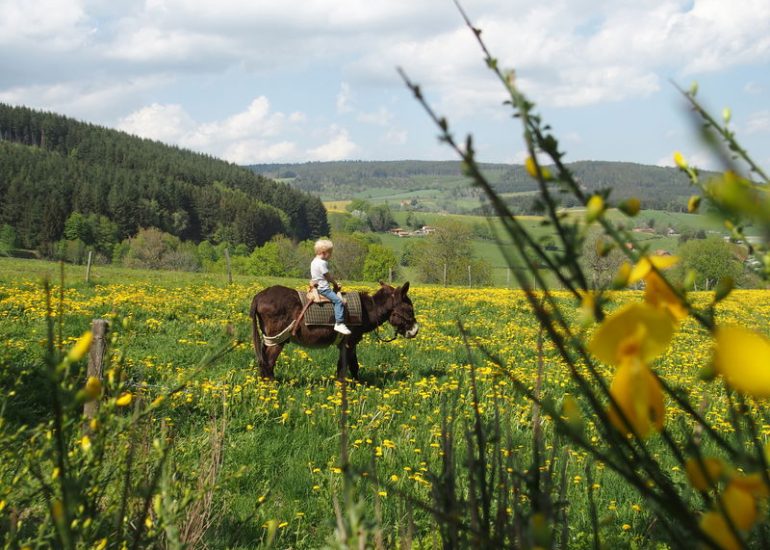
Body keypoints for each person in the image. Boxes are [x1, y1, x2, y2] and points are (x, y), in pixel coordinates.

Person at [310, 239, 351, 335]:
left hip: (316, 286)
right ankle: (339, 323)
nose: (331, 256)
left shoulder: (314, 261)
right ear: (324, 253)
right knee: (338, 301)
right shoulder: (322, 263)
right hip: (324, 289)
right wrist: (335, 283)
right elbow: (327, 276)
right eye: (330, 253)